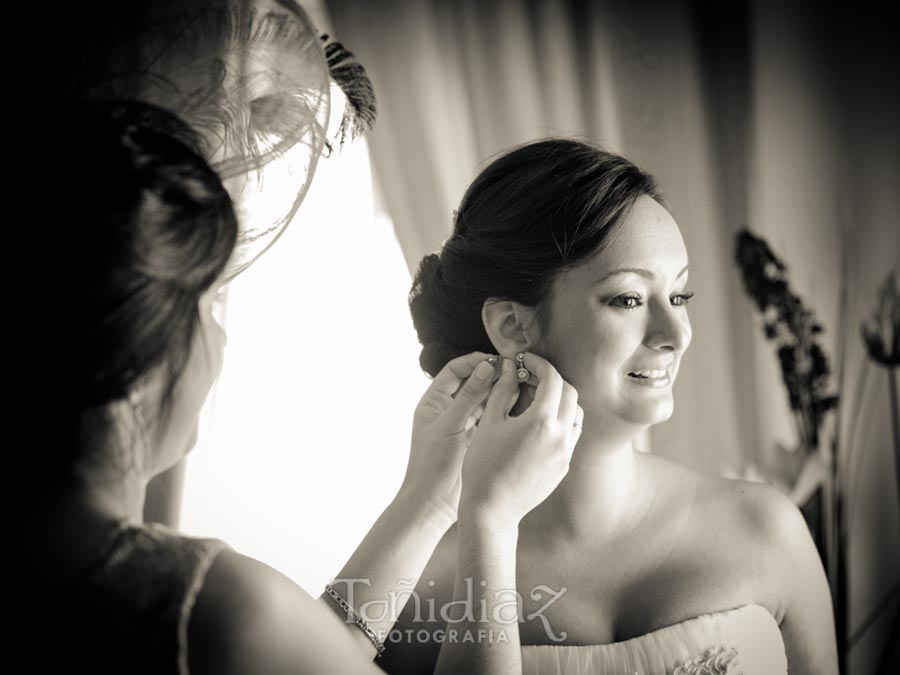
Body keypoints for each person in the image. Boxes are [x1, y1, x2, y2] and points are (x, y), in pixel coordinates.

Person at [19, 100, 582, 674]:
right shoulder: (219, 609)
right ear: (134, 348)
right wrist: (490, 516)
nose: (221, 338)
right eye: (211, 303)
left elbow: (318, 648)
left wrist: (430, 503)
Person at [380, 138, 838, 675]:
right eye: (628, 299)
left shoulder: (765, 531)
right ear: (512, 327)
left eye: (679, 296)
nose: (675, 335)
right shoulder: (416, 593)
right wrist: (488, 525)